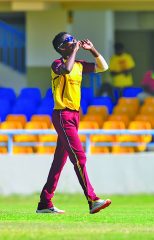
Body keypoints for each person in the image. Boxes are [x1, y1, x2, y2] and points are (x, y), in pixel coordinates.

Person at [36, 32, 111, 214]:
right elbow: (67, 70)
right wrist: (75, 51)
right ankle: (92, 200)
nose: (74, 41)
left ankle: (45, 203)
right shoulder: (57, 64)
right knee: (79, 158)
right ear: (62, 47)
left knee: (59, 162)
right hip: (62, 116)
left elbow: (103, 67)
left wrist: (92, 49)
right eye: (70, 40)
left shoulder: (78, 65)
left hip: (74, 116)